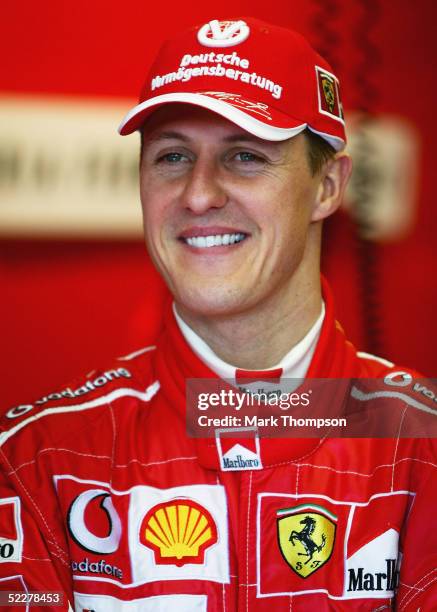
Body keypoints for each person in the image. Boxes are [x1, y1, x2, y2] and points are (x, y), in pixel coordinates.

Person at [0, 17, 436, 611]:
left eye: (246, 156)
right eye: (173, 156)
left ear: (328, 185)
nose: (199, 194)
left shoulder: (423, 448)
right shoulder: (34, 461)